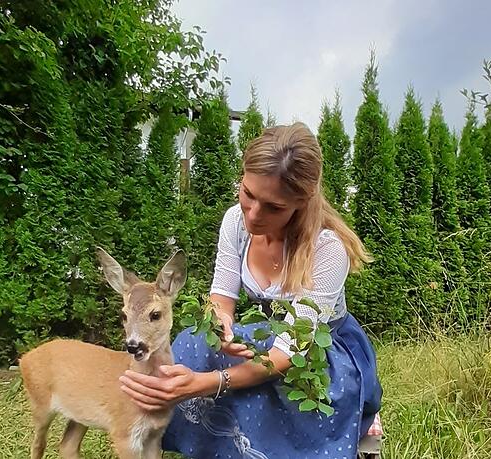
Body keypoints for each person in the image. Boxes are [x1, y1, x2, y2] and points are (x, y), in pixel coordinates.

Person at [119, 122, 382, 459]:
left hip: (317, 352)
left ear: (301, 202)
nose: (254, 215)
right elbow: (221, 296)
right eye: (248, 194)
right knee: (193, 344)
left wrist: (206, 383)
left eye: (273, 207)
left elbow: (287, 355)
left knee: (289, 413)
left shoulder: (328, 249)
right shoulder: (236, 222)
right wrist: (221, 325)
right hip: (268, 335)